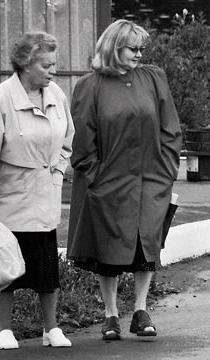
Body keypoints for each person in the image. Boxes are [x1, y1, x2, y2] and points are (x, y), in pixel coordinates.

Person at [67, 19, 182, 340]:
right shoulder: (89, 87)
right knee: (109, 248)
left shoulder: (153, 78)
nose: (139, 54)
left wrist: (167, 170)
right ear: (114, 48)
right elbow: (82, 142)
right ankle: (111, 314)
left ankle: (141, 309)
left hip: (151, 179)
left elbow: (170, 129)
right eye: (134, 48)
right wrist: (97, 178)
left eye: (142, 48)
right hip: (109, 181)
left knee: (147, 245)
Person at [0, 32, 74, 349]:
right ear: (25, 64)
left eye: (54, 64)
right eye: (46, 65)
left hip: (44, 196)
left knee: (46, 268)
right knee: (6, 267)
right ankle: (3, 329)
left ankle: (51, 328)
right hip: (9, 198)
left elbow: (68, 139)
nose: (52, 71)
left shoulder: (57, 95)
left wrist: (57, 171)